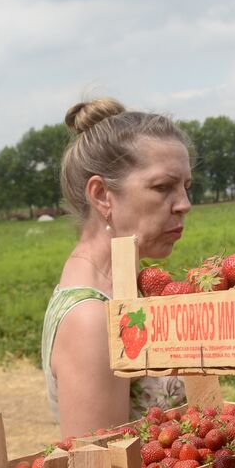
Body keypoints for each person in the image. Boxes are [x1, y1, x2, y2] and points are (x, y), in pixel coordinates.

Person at [44, 98, 191, 437]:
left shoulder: (123, 287)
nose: (184, 204)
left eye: (187, 187)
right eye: (163, 187)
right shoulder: (92, 319)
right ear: (101, 195)